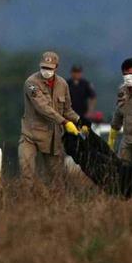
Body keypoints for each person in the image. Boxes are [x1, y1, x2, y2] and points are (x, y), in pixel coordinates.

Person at [18, 51, 81, 183]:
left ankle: (53, 202)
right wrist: (64, 122)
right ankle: (26, 200)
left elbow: (67, 110)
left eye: (49, 68)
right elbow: (42, 107)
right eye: (43, 67)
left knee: (56, 178)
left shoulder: (62, 84)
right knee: (27, 172)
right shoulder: (31, 83)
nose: (46, 71)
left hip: (52, 138)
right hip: (31, 135)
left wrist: (79, 120)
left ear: (56, 67)